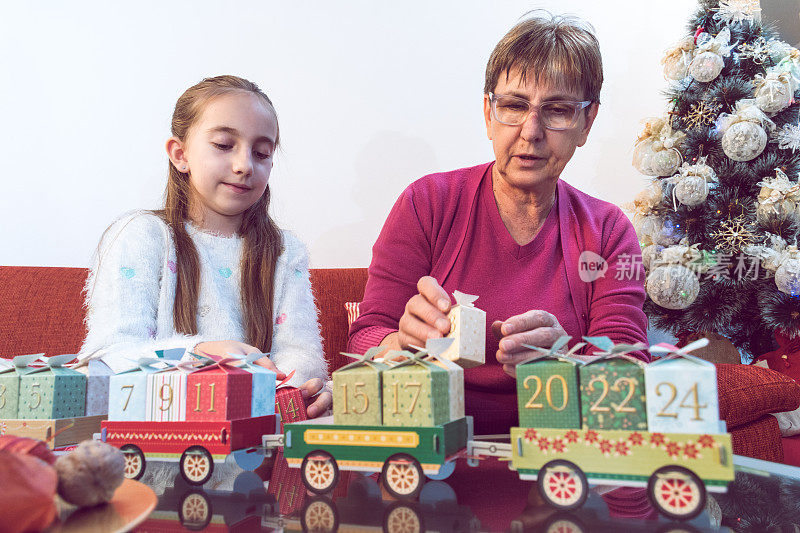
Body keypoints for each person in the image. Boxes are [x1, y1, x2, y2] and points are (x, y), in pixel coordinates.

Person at [348, 14, 648, 434]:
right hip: (434, 439)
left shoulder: (608, 229)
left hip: (560, 445)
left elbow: (629, 369)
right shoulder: (427, 203)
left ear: (587, 122)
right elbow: (364, 337)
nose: (531, 131)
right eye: (513, 106)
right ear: (488, 113)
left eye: (558, 110)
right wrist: (399, 344)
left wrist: (567, 363)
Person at [80, 75, 331, 417]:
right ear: (180, 154)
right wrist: (203, 353)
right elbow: (108, 356)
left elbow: (302, 355)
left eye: (262, 153)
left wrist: (297, 386)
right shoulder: (140, 236)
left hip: (257, 439)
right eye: (224, 145)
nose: (245, 165)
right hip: (156, 444)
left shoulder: (285, 251)